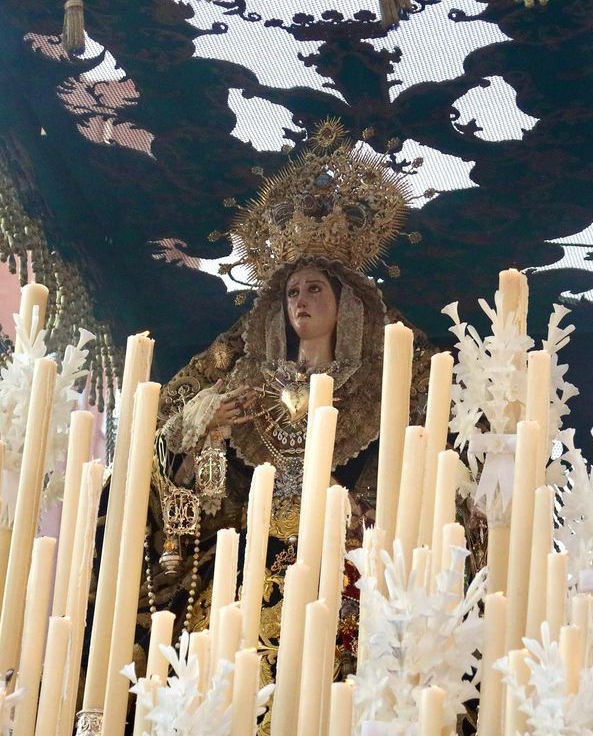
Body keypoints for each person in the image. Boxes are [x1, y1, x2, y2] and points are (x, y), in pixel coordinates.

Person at [142, 121, 430, 666]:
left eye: (315, 289)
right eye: (293, 291)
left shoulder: (380, 388)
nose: (301, 300)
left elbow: (403, 473)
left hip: (341, 567)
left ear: (345, 304)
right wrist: (206, 428)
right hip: (249, 564)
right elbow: (194, 485)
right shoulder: (246, 382)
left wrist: (359, 512)